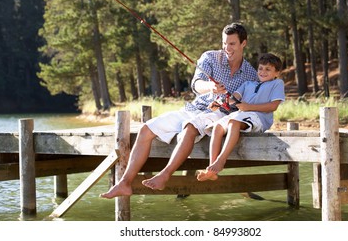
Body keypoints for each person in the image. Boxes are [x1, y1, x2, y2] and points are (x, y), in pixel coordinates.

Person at [100, 22, 257, 198]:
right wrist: (211, 87)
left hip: (218, 115)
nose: (227, 48)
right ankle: (125, 183)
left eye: (232, 44)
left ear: (244, 43)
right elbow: (196, 84)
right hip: (194, 108)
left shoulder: (251, 74)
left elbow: (246, 105)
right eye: (224, 43)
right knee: (146, 129)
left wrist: (230, 101)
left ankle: (164, 175)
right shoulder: (210, 58)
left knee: (189, 128)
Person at [197, 53, 285, 182]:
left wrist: (249, 107)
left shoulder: (277, 83)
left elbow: (273, 106)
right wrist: (220, 103)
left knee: (233, 123)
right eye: (261, 68)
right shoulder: (248, 84)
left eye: (268, 69)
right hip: (240, 115)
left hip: (258, 117)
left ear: (276, 73)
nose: (263, 72)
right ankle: (211, 167)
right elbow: (233, 99)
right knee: (217, 127)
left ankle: (221, 161)